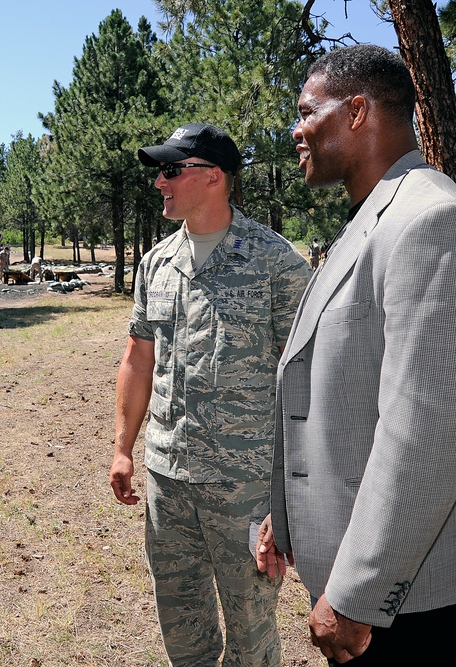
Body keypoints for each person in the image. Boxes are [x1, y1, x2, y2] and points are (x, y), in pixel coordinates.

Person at [256, 45, 456, 665]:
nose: (295, 129)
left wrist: (356, 594)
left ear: (356, 111)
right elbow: (336, 394)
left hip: (407, 594)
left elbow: (427, 434)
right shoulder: (370, 219)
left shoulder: (432, 221)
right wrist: (284, 515)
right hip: (364, 565)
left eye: (305, 111)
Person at [109, 122, 311, 666]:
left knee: (251, 631)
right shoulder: (157, 263)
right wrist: (124, 448)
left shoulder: (276, 263)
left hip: (244, 487)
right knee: (182, 626)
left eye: (171, 170)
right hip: (169, 480)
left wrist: (286, 498)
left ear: (214, 177)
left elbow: (307, 379)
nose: (159, 183)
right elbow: (138, 357)